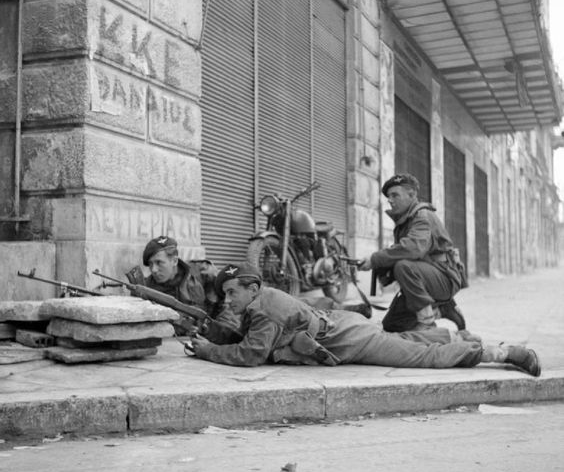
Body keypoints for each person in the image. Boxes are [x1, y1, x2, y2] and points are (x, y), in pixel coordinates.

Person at [190, 262, 540, 377]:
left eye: (233, 292)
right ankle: (447, 338)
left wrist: (207, 350)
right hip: (342, 326)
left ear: (252, 288)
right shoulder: (262, 301)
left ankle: (501, 353)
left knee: (419, 359)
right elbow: (246, 339)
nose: (228, 299)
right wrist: (212, 332)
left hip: (351, 339)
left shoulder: (264, 310)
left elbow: (249, 355)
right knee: (404, 344)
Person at [358, 173, 466, 332]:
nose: (390, 200)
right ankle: (443, 310)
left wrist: (375, 259)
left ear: (412, 195)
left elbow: (412, 248)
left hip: (445, 277)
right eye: (389, 196)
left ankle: (427, 322)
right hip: (429, 276)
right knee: (392, 325)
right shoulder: (406, 219)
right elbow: (405, 251)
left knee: (404, 266)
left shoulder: (422, 216)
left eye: (395, 195)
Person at [127, 236, 239, 334]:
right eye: (150, 264)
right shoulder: (146, 288)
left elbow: (229, 310)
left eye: (159, 263)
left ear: (174, 261)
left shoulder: (204, 274)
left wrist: (213, 334)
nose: (154, 270)